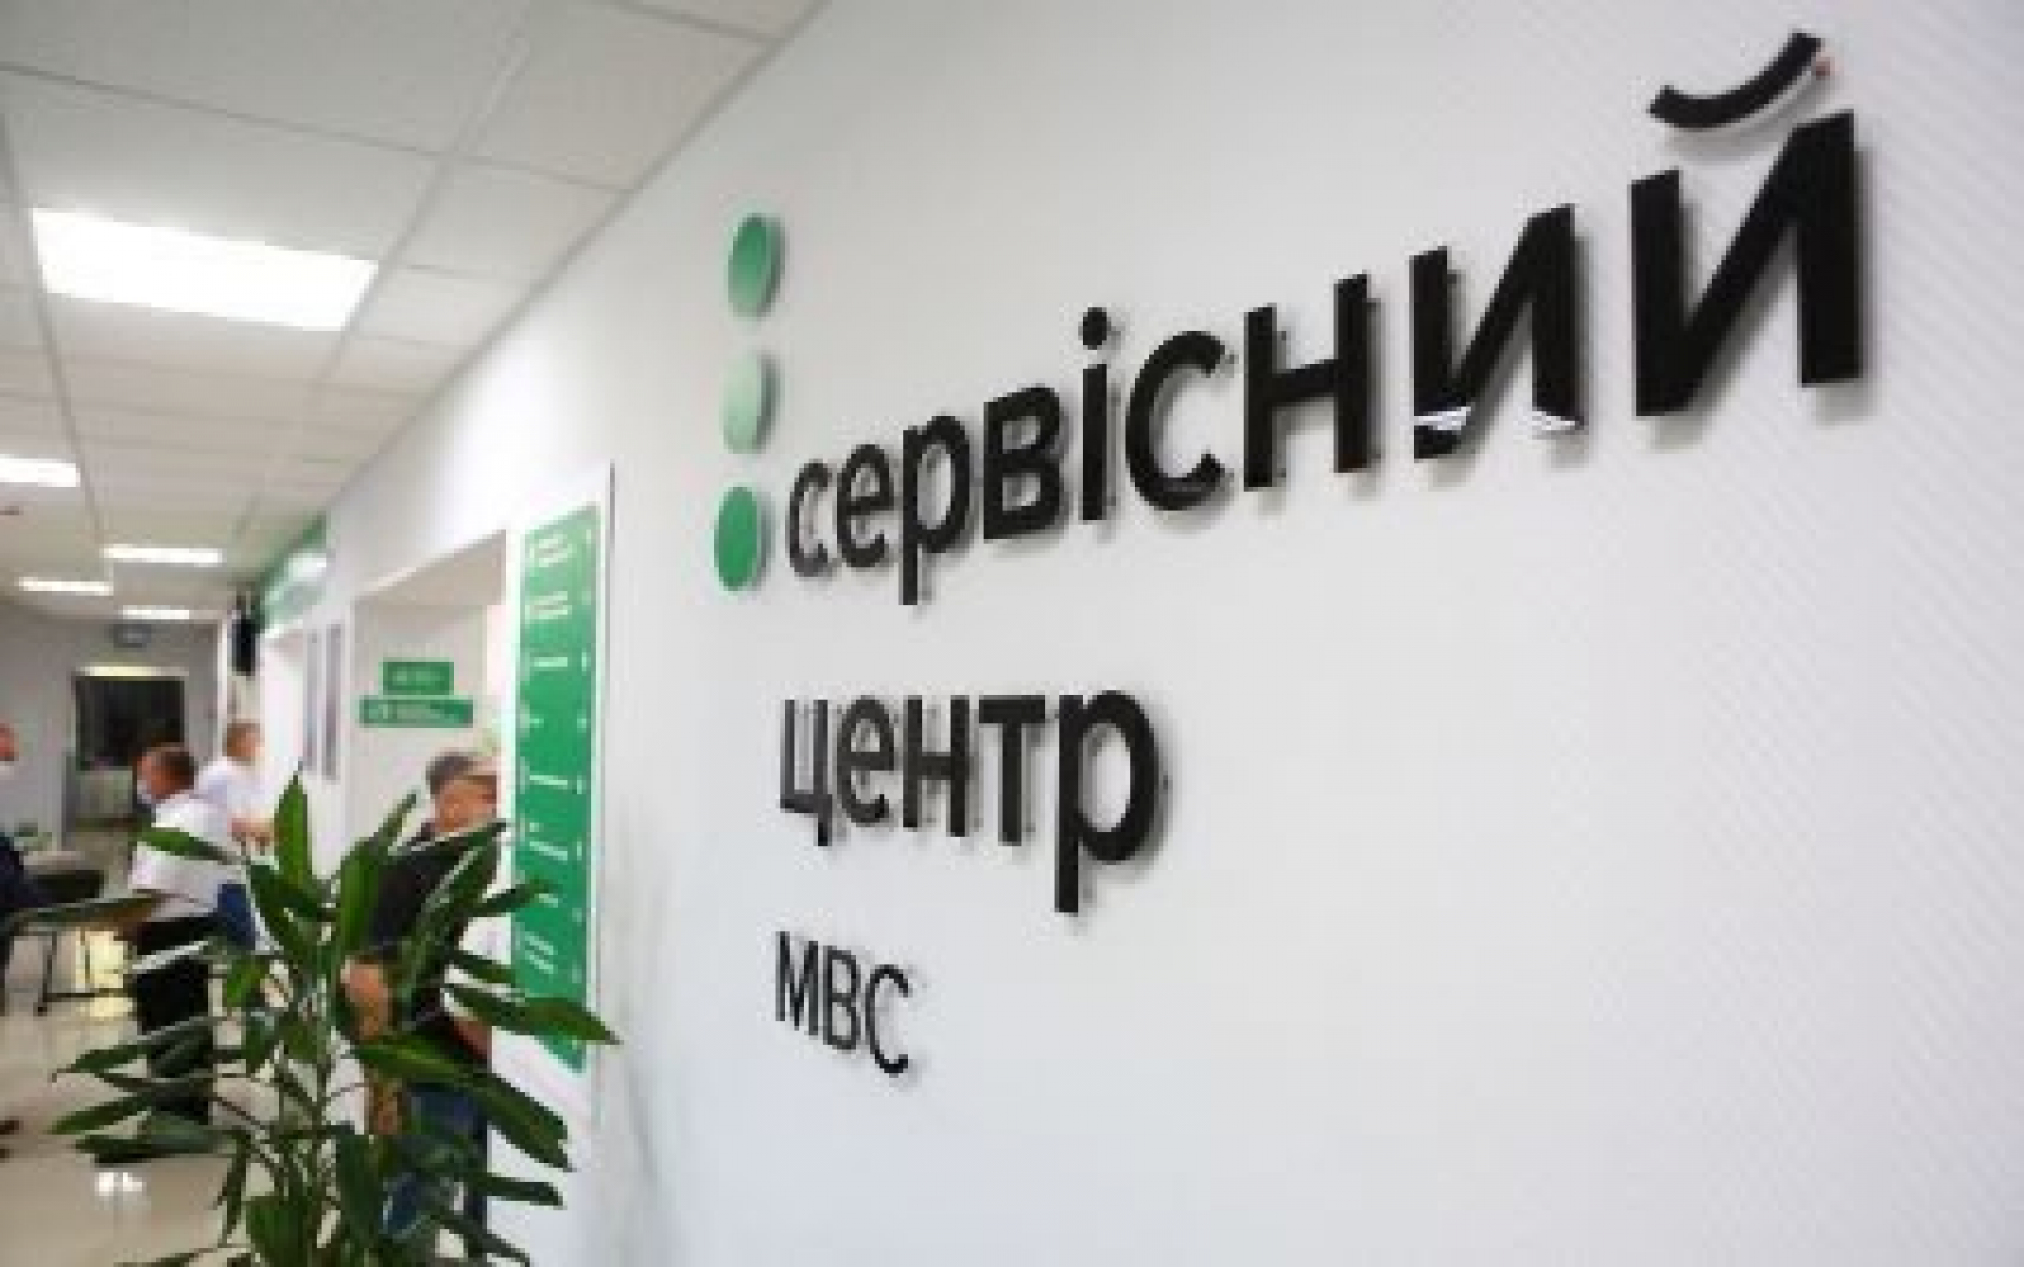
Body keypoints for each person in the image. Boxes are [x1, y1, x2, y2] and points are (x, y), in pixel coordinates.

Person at [344, 751, 499, 1239]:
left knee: (489, 1206)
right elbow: (368, 982)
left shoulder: (491, 858)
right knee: (420, 1205)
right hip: (431, 1068)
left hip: (490, 1062)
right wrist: (381, 1086)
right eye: (488, 795)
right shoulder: (406, 871)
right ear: (449, 803)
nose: (500, 804)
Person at [91, 744, 232, 1160]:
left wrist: (122, 925)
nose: (141, 783)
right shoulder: (199, 814)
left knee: (168, 1028)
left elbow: (154, 890)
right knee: (187, 1022)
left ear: (165, 776)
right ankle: (189, 1115)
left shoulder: (182, 821)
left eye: (145, 775)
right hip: (189, 928)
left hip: (169, 935)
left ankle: (175, 1124)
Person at [196, 721, 271, 851]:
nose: (259, 748)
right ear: (239, 743)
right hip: (220, 848)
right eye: (255, 742)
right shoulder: (225, 773)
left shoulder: (241, 771)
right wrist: (265, 830)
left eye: (259, 742)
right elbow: (232, 823)